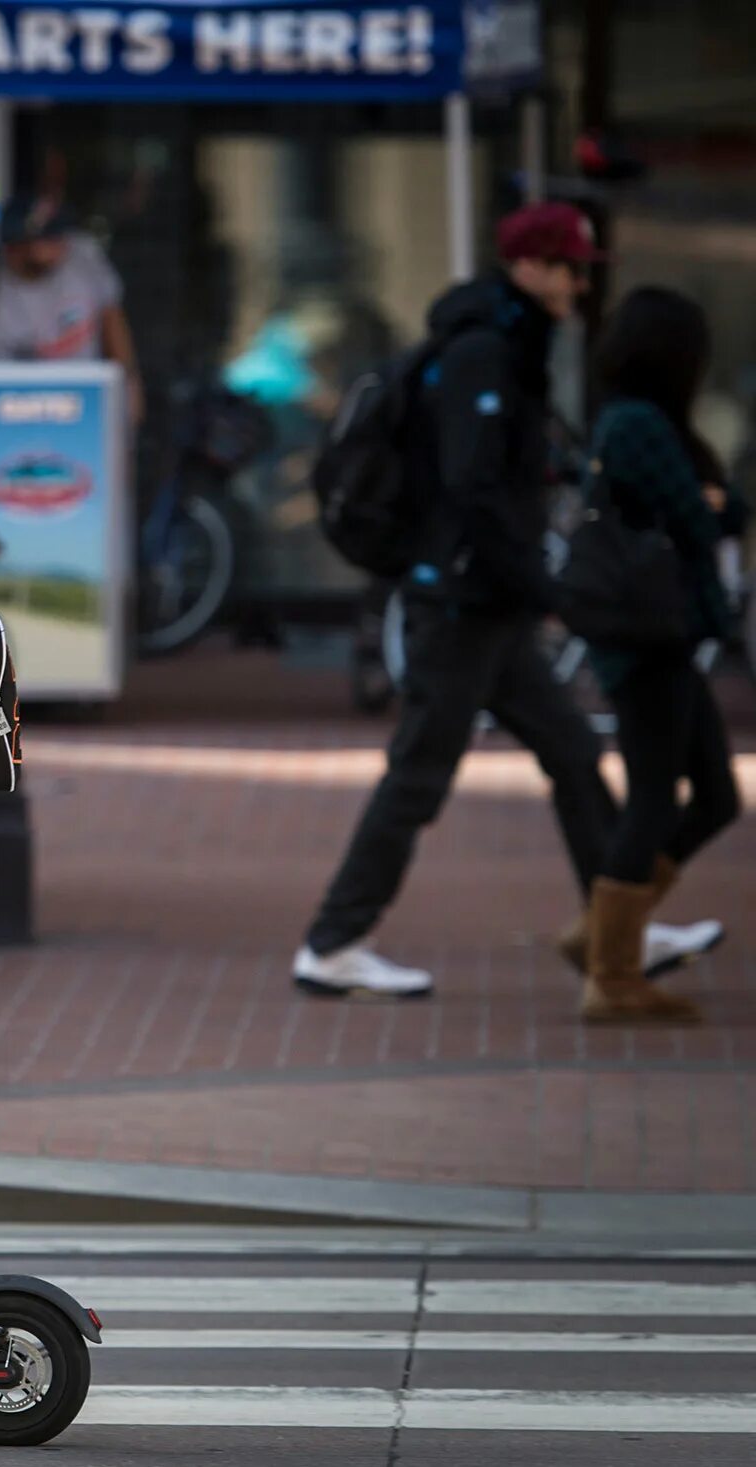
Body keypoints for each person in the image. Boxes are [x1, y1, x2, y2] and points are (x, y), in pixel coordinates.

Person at [293, 202, 720, 998]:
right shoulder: (486, 351)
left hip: (487, 606)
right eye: (567, 268)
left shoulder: (507, 345)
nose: (577, 284)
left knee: (571, 752)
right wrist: (544, 586)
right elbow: (475, 486)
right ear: (528, 266)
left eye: (581, 270)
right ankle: (334, 939)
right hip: (461, 604)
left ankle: (614, 929)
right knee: (420, 775)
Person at [574, 287, 747, 1023]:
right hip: (648, 638)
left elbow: (717, 509)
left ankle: (599, 938)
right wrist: (711, 503)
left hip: (661, 637)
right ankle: (611, 974)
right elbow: (707, 517)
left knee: (716, 794)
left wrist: (713, 504)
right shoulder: (638, 423)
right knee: (653, 796)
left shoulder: (632, 420)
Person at [0, 198, 143, 426]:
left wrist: (129, 381)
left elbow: (111, 316)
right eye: (48, 238)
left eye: (59, 235)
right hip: (20, 405)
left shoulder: (83, 254)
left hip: (87, 395)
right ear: (17, 245)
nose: (60, 244)